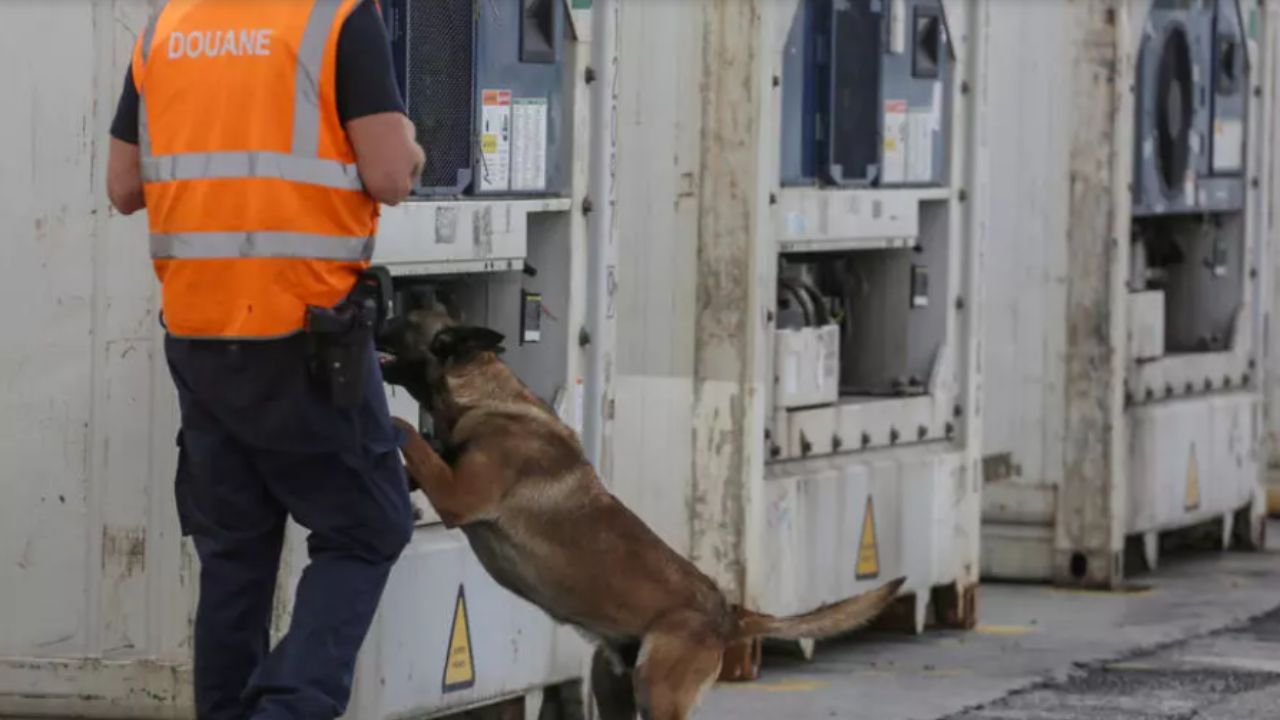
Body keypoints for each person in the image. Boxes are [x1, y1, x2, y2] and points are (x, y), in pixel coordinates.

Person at [106, 1, 426, 718]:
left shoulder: (168, 26)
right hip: (303, 335)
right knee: (368, 527)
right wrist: (411, 149)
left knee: (236, 557)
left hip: (197, 334)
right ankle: (288, 707)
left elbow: (124, 187)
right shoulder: (338, 19)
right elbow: (389, 177)